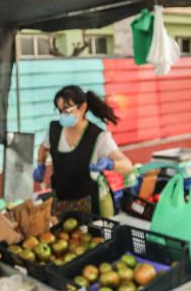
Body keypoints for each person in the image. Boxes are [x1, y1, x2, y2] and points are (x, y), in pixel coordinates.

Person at [33, 86, 134, 215]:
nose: (63, 115)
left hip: (91, 204)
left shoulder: (98, 137)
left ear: (83, 107)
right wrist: (40, 164)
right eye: (59, 110)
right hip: (61, 201)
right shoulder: (55, 129)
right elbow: (44, 147)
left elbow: (127, 165)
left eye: (66, 110)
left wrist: (110, 164)